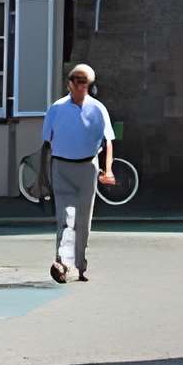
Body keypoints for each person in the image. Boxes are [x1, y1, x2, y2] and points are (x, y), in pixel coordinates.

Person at [42, 63, 117, 283]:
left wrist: (108, 170)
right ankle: (62, 264)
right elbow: (46, 144)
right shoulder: (56, 109)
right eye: (78, 82)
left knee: (83, 220)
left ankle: (80, 266)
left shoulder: (98, 109)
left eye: (86, 83)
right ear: (70, 84)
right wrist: (41, 175)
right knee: (66, 218)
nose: (82, 86)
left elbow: (108, 141)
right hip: (61, 167)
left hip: (87, 167)